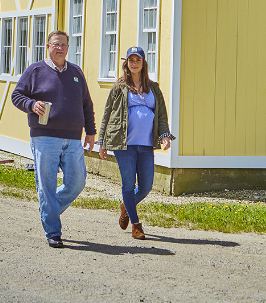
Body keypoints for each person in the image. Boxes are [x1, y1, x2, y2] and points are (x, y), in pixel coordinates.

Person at [11, 30, 96, 248]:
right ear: (48, 46)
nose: (60, 48)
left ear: (68, 48)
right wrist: (32, 104)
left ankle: (49, 210)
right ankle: (53, 231)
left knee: (76, 183)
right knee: (46, 184)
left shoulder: (76, 72)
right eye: (56, 44)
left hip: (73, 139)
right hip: (44, 137)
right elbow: (17, 95)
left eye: (64, 45)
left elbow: (86, 104)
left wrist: (91, 132)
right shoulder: (36, 70)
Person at [98, 46, 175, 239]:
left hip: (146, 144)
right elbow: (107, 113)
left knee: (147, 186)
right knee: (128, 185)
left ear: (143, 63)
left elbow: (162, 115)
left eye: (137, 60)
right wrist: (102, 141)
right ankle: (136, 224)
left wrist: (164, 135)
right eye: (130, 60)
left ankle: (127, 205)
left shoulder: (154, 87)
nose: (134, 64)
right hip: (123, 144)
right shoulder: (119, 87)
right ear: (126, 63)